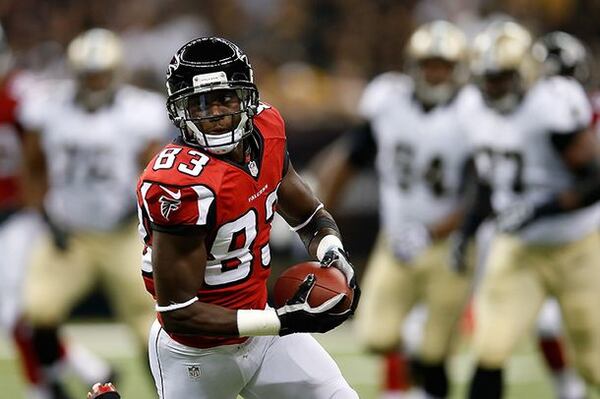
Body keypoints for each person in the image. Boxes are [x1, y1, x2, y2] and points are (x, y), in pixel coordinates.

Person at [136, 37, 360, 399]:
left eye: (225, 98)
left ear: (247, 99)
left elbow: (307, 215)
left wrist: (333, 254)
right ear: (180, 110)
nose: (216, 113)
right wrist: (282, 321)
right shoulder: (178, 184)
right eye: (200, 104)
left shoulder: (266, 129)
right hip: (196, 353)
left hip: (263, 333)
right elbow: (178, 311)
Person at [314, 21, 474, 399]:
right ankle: (413, 347)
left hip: (450, 243)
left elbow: (480, 192)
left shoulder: (473, 111)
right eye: (429, 64)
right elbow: (349, 158)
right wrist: (319, 223)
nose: (435, 73)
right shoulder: (389, 101)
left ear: (458, 69)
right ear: (413, 66)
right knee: (376, 334)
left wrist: (436, 231)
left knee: (436, 350)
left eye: (444, 65)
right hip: (396, 237)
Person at [451, 21, 600, 398]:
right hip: (518, 248)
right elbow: (489, 182)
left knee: (594, 363)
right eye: (487, 77)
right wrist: (466, 232)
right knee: (489, 348)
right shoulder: (471, 107)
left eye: (502, 77)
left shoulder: (550, 105)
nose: (493, 86)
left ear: (524, 73)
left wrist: (540, 209)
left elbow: (594, 180)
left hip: (578, 244)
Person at [18, 28, 169, 395]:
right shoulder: (47, 108)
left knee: (149, 325)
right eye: (88, 73)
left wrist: (143, 222)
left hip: (122, 235)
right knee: (38, 310)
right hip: (70, 233)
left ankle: (165, 389)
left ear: (116, 72)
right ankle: (52, 384)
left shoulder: (140, 111)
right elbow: (33, 166)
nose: (95, 81)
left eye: (101, 72)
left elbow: (155, 173)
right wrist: (45, 214)